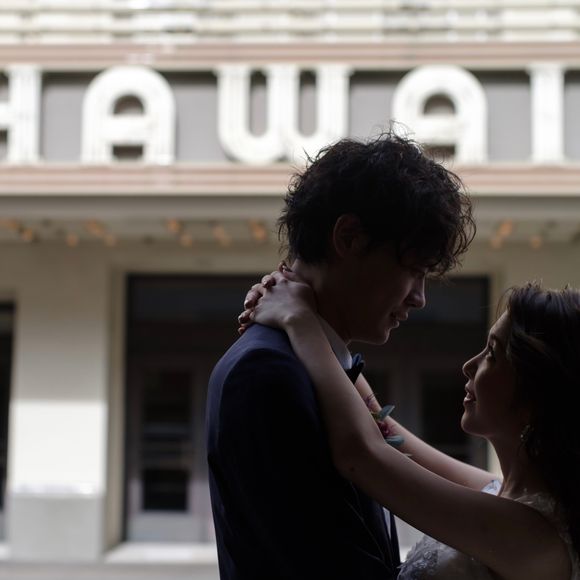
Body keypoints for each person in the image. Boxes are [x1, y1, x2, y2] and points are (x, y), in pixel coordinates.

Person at [205, 130, 474, 580]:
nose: (420, 298)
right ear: (348, 238)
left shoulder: (314, 362)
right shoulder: (265, 372)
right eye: (413, 270)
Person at [239, 273, 580, 580]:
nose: (469, 365)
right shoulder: (498, 492)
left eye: (492, 353)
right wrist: (310, 311)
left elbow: (362, 455)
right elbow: (386, 432)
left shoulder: (533, 538)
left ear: (537, 394)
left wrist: (298, 320)